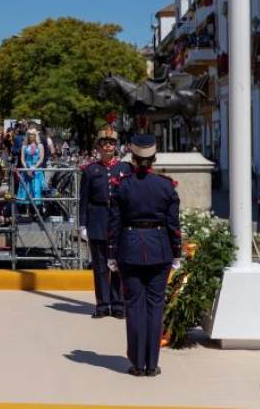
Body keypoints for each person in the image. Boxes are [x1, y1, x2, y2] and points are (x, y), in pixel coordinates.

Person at [108, 133, 181, 377]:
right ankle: (152, 364)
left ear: (133, 157)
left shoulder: (122, 185)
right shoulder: (166, 185)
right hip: (160, 249)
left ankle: (138, 364)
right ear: (153, 158)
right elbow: (173, 224)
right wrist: (177, 254)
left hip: (129, 249)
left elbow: (114, 223)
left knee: (135, 307)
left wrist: (111, 253)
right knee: (155, 306)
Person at [79, 126, 130, 319]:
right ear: (98, 147)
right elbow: (84, 199)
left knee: (117, 264)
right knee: (100, 265)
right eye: (104, 144)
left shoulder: (125, 169)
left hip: (118, 220)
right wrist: (83, 224)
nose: (108, 147)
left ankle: (117, 304)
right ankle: (102, 304)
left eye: (111, 144)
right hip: (97, 219)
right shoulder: (91, 170)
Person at [16, 128, 45, 208]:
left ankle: (37, 210)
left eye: (32, 134)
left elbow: (41, 159)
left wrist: (33, 168)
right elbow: (22, 159)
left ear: (36, 135)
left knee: (36, 189)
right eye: (29, 134)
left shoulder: (40, 145)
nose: (30, 136)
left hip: (36, 170)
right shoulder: (24, 146)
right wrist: (27, 169)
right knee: (25, 190)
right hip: (26, 170)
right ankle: (26, 211)